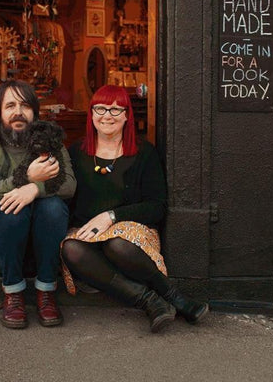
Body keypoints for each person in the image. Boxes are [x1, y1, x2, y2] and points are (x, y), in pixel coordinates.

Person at [61, 85, 208, 333]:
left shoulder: (144, 153)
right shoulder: (75, 152)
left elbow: (156, 207)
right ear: (91, 113)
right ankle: (150, 302)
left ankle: (174, 297)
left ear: (127, 115)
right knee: (71, 249)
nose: (107, 115)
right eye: (100, 108)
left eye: (116, 109)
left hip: (131, 234)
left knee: (116, 243)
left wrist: (111, 216)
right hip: (87, 234)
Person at [0, 80, 76, 329]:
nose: (18, 111)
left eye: (25, 105)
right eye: (10, 105)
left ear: (34, 113)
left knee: (52, 207)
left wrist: (34, 189)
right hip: (0, 250)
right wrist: (25, 179)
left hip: (44, 251)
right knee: (12, 208)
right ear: (0, 112)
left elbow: (69, 185)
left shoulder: (52, 148)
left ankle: (46, 290)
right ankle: (13, 292)